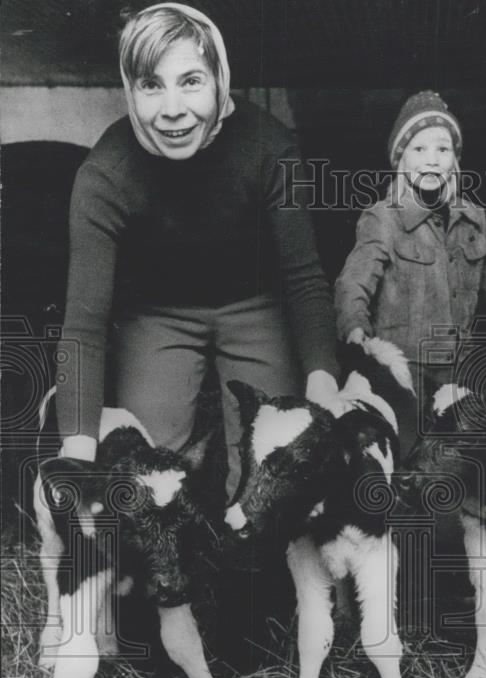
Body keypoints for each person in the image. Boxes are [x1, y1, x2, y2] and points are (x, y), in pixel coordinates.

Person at [56, 2, 342, 500]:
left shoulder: (270, 148)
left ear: (220, 81)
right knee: (150, 464)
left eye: (190, 81)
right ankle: (168, 573)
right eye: (151, 84)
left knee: (272, 459)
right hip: (157, 313)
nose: (172, 109)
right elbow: (84, 324)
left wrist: (323, 384)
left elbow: (304, 277)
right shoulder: (104, 176)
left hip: (258, 304)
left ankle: (258, 568)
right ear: (130, 89)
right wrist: (76, 450)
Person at [334, 90, 486, 457]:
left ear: (455, 160)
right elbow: (354, 282)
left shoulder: (471, 217)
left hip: (459, 375)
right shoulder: (383, 218)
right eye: (419, 149)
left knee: (465, 466)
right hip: (402, 379)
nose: (432, 161)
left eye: (442, 150)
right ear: (400, 158)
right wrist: (355, 329)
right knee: (406, 468)